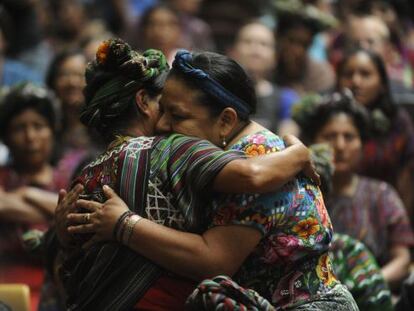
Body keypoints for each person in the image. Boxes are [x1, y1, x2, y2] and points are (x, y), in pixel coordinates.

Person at [62, 44, 358, 310]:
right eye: (161, 109)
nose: (162, 125)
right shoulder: (227, 157)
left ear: (226, 121)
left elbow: (214, 261)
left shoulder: (254, 158)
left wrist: (124, 224)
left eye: (177, 116)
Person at [294, 90, 414, 290]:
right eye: (330, 136)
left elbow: (402, 260)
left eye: (349, 137)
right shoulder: (299, 195)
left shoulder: (381, 195)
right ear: (312, 142)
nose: (340, 146)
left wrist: (363, 285)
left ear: (361, 144)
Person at [0, 83, 71, 311]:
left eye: (38, 126)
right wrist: (56, 210)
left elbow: (81, 213)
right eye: (19, 128)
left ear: (53, 130)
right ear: (6, 136)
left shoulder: (68, 178)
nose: (30, 137)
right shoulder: (2, 176)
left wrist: (26, 193)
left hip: (57, 291)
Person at [337, 48, 414, 226]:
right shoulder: (326, 120)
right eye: (348, 74)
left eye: (365, 74)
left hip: (388, 215)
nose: (355, 82)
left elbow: (407, 177)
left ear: (382, 83)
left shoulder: (397, 121)